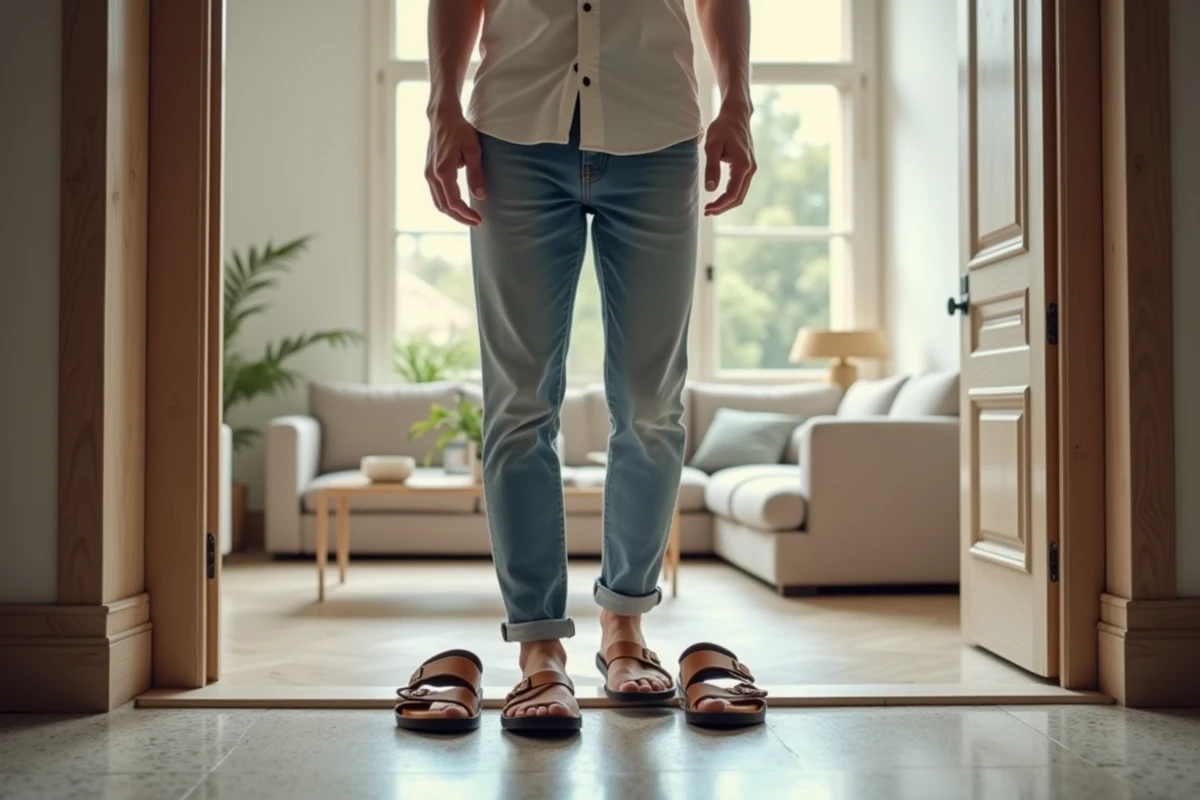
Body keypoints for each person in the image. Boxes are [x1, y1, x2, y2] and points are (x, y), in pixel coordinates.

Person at [422, 0, 755, 732]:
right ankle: (539, 647)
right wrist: (442, 104)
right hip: (513, 131)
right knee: (519, 403)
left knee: (650, 403)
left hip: (658, 128)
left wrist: (738, 101)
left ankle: (625, 626)